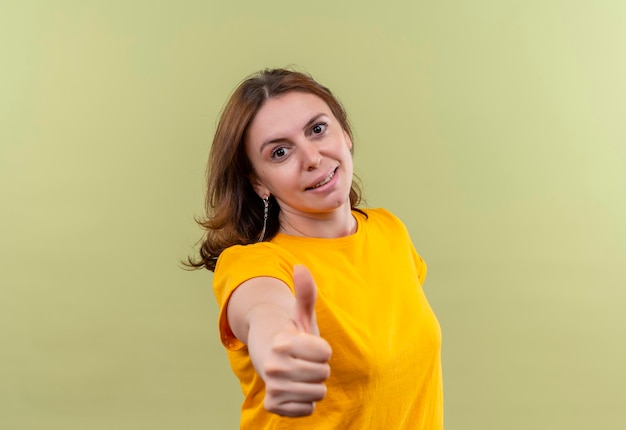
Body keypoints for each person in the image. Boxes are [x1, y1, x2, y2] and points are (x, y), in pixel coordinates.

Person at [188, 68, 443, 429]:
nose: (311, 157)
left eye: (317, 129)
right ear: (259, 182)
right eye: (279, 152)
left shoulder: (389, 231)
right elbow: (263, 309)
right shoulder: (253, 263)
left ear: (345, 133)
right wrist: (277, 344)